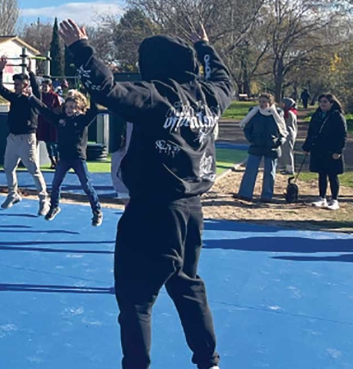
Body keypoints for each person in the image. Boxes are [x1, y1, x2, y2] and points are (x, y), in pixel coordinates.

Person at [60, 18, 230, 369]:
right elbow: (225, 78)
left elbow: (106, 89)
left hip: (151, 209)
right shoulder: (210, 97)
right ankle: (208, 361)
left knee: (136, 300)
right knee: (187, 285)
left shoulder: (156, 96)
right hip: (191, 210)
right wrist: (205, 48)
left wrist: (80, 49)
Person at [39, 89, 104, 226]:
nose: (69, 110)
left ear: (79, 108)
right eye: (67, 107)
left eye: (73, 107)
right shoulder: (61, 120)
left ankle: (97, 211)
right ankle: (54, 207)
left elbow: (95, 109)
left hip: (78, 158)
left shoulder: (82, 120)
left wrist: (92, 90)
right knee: (55, 184)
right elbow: (44, 110)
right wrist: (31, 97)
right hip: (63, 158)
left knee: (86, 185)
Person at [0, 56, 49, 215]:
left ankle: (43, 199)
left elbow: (37, 90)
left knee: (34, 169)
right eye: (14, 84)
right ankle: (13, 194)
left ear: (25, 85)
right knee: (8, 168)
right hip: (12, 138)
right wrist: (0, 71)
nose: (15, 86)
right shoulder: (14, 97)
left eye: (18, 84)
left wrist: (31, 72)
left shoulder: (32, 99)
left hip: (27, 138)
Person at [234, 93, 287, 203]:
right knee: (250, 171)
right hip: (256, 145)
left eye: (264, 101)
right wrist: (251, 139)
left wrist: (278, 142)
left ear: (270, 102)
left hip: (271, 147)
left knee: (270, 172)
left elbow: (283, 130)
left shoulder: (277, 114)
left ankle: (267, 196)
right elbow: (247, 128)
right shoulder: (254, 113)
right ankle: (245, 194)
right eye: (260, 101)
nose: (262, 104)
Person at [303, 94, 347, 210]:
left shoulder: (337, 116)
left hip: (332, 150)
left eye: (325, 102)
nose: (322, 104)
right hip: (318, 149)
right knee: (321, 174)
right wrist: (307, 147)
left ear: (331, 103)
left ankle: (334, 200)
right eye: (321, 101)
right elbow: (311, 132)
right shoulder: (317, 115)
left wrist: (338, 151)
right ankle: (321, 198)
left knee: (333, 175)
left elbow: (342, 135)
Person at [36, 77, 62, 169]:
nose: (43, 88)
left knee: (54, 143)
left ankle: (58, 161)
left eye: (45, 86)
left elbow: (59, 108)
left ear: (50, 86)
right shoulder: (40, 96)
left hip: (52, 122)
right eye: (42, 86)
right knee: (47, 143)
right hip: (43, 121)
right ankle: (52, 161)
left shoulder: (54, 96)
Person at [280, 98, 299, 175]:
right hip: (289, 133)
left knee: (288, 151)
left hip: (289, 134)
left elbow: (288, 125)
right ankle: (286, 167)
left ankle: (290, 169)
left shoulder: (289, 113)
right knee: (285, 151)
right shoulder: (289, 112)